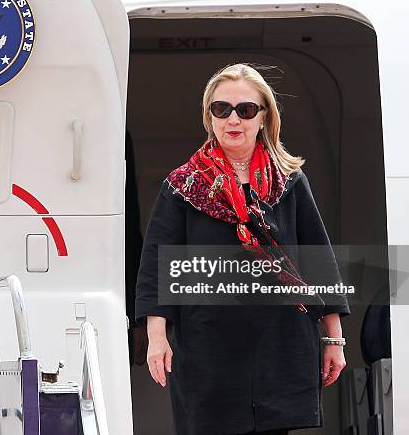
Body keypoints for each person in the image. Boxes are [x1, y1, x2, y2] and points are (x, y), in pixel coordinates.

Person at [134, 63, 350, 435]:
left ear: (264, 117)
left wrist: (334, 340)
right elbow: (157, 265)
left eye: (246, 110)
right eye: (222, 109)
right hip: (209, 350)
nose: (233, 119)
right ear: (209, 115)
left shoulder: (290, 181)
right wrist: (157, 338)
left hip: (278, 346)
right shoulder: (182, 186)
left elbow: (319, 261)